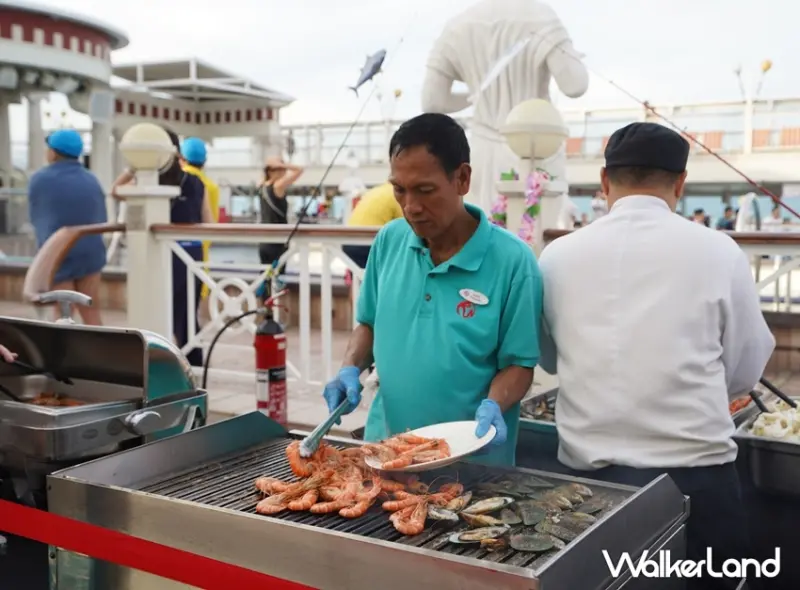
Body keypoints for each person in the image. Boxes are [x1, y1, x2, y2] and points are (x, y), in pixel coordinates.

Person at [537, 122, 775, 590]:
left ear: (604, 182)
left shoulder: (556, 256)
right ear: (680, 183)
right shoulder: (720, 251)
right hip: (699, 481)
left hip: (588, 488)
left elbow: (549, 360)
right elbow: (746, 365)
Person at [321, 113, 542, 467]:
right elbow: (369, 323)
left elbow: (519, 364)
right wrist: (349, 369)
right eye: (399, 190)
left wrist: (495, 404)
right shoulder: (389, 241)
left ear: (462, 178)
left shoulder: (513, 261)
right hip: (386, 453)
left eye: (425, 190)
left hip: (470, 461)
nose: (411, 207)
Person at [421, 0, 588, 212]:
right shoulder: (541, 16)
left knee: (484, 221)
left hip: (483, 150)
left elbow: (432, 101)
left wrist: (474, 96)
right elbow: (575, 85)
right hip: (536, 146)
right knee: (539, 224)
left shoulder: (456, 26)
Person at [111, 127, 214, 367]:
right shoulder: (196, 182)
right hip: (192, 254)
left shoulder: (147, 181)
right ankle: (194, 369)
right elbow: (208, 222)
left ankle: (159, 366)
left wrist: (134, 167)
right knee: (187, 317)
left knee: (158, 312)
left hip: (161, 255)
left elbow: (115, 191)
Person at [28, 129, 107, 325]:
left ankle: (62, 346)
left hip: (59, 252)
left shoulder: (40, 180)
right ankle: (103, 345)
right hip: (91, 253)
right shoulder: (91, 179)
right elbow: (101, 217)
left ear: (53, 153)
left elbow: (38, 220)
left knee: (63, 311)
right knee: (91, 310)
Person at [180, 138, 219, 308]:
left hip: (175, 250)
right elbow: (211, 222)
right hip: (200, 251)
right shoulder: (211, 186)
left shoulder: (177, 180)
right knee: (193, 307)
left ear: (181, 158)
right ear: (205, 160)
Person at [257, 156, 304, 269]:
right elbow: (300, 169)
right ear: (272, 171)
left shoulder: (261, 185)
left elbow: (265, 174)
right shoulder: (278, 186)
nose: (284, 172)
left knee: (265, 273)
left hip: (264, 239)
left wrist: (272, 164)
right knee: (278, 274)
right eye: (281, 169)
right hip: (278, 239)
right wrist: (283, 164)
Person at [343, 182, 404, 268]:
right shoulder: (396, 195)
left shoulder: (374, 191)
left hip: (348, 242)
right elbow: (406, 225)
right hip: (368, 244)